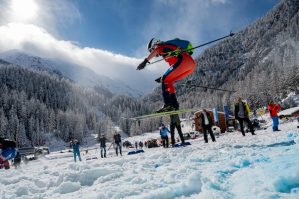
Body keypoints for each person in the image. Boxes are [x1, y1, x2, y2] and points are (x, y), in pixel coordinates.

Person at [137, 38, 196, 113]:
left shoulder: (162, 46)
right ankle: (174, 105)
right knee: (169, 80)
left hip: (184, 61)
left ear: (154, 46)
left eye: (151, 50)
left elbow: (157, 50)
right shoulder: (167, 52)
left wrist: (145, 61)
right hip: (190, 65)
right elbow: (173, 68)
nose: (154, 54)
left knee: (165, 79)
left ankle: (167, 105)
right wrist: (163, 78)